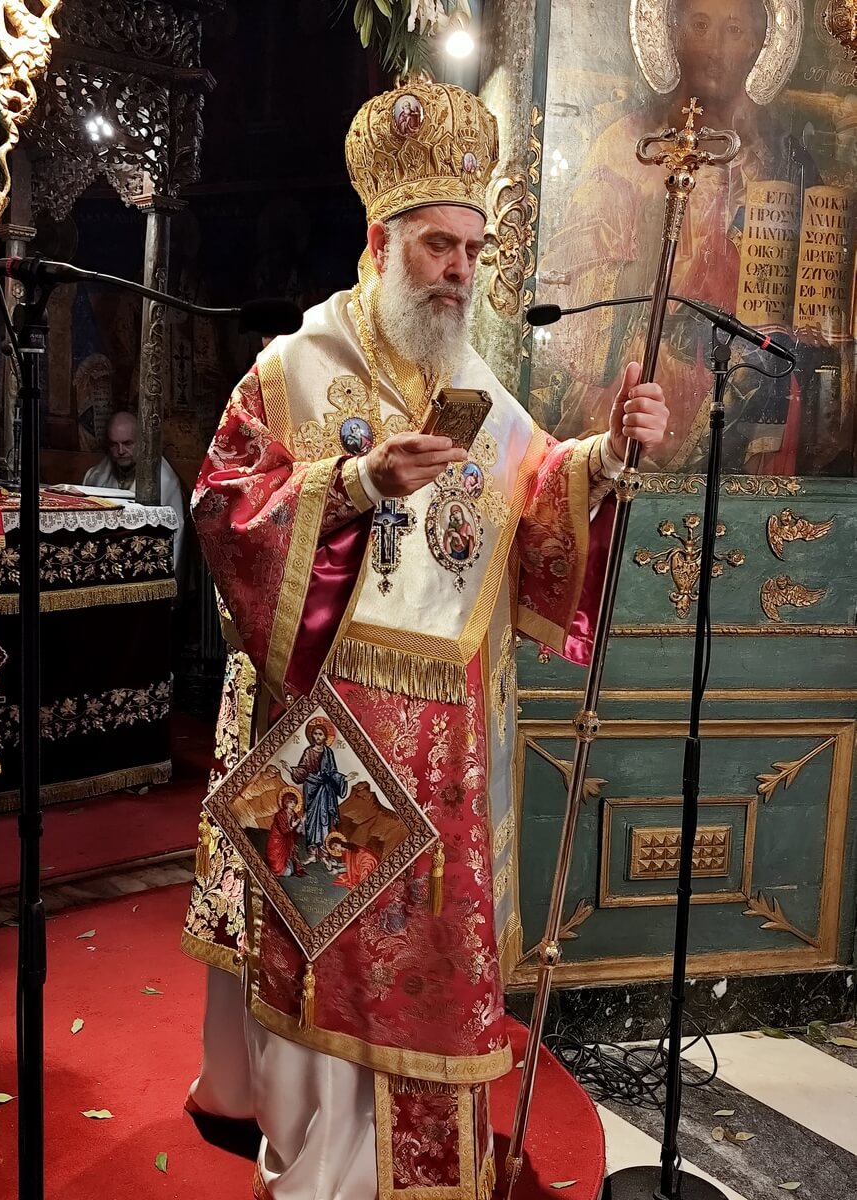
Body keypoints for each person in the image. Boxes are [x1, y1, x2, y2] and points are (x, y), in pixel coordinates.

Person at [181, 80, 669, 1199]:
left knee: (430, 967)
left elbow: (537, 495)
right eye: (438, 246)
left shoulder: (478, 385)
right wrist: (355, 482)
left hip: (445, 747)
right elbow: (223, 509)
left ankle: (424, 1174)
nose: (458, 271)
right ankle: (322, 1169)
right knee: (322, 952)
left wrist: (607, 458)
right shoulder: (295, 367)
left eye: (471, 250)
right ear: (381, 242)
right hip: (327, 731)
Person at [535, 0, 841, 474]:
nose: (715, 48)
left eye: (734, 29)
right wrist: (647, 250)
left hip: (745, 377)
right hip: (645, 369)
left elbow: (813, 285)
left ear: (759, 44)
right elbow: (572, 270)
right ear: (673, 33)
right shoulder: (629, 142)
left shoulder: (786, 161)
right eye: (700, 25)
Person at [82, 410, 187, 579]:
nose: (120, 451)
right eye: (113, 444)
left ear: (142, 442)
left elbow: (176, 535)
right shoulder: (95, 476)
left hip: (145, 568)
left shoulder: (165, 481)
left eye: (127, 443)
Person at [279, 719, 350, 867]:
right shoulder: (308, 752)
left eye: (320, 734)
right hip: (311, 789)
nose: (318, 736)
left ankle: (323, 854)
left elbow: (332, 772)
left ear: (325, 737)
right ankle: (312, 853)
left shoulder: (328, 752)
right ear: (312, 736)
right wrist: (290, 769)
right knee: (311, 822)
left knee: (324, 821)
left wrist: (344, 779)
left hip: (324, 791)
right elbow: (303, 770)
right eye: (315, 734)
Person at [264, 789, 306, 878]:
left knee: (290, 870)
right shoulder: (280, 815)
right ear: (285, 802)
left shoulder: (294, 815)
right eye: (290, 802)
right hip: (277, 841)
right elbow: (284, 830)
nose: (293, 804)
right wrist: (295, 823)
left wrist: (301, 823)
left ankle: (287, 866)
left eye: (294, 802)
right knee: (280, 868)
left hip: (288, 842)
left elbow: (295, 832)